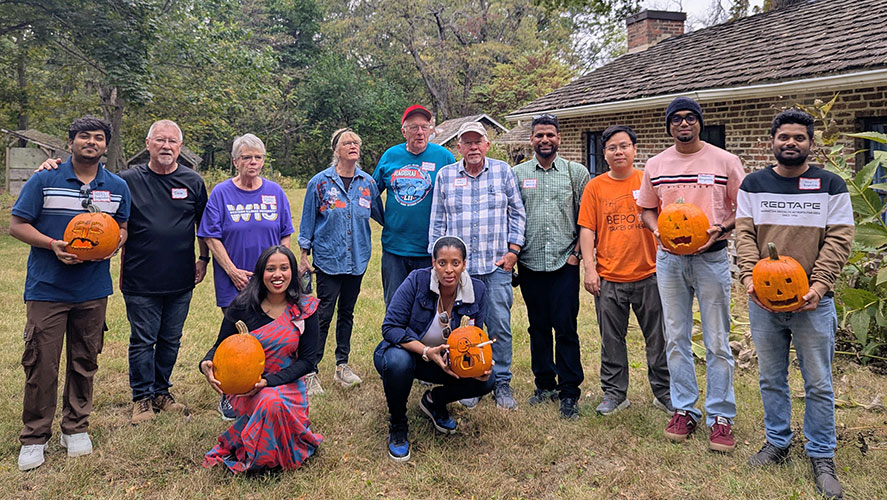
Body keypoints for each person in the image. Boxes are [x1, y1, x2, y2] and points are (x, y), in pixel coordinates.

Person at [33, 120, 211, 424]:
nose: (166, 146)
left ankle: (161, 391)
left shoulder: (193, 181)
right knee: (143, 339)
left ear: (180, 147)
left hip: (181, 277)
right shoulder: (125, 181)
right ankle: (141, 397)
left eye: (172, 141)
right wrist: (51, 167)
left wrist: (204, 258)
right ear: (148, 143)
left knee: (171, 339)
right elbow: (93, 201)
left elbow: (203, 224)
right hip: (140, 276)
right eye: (160, 140)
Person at [735, 109, 853, 499]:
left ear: (810, 144)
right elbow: (745, 234)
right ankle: (778, 443)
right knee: (771, 378)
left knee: (818, 382)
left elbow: (839, 239)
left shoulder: (830, 184)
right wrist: (750, 276)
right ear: (772, 141)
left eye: (798, 138)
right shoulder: (753, 183)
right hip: (764, 302)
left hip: (813, 303)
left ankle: (821, 453)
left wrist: (818, 287)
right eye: (784, 137)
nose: (791, 143)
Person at [11, 116, 131, 471]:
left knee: (85, 358)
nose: (90, 142)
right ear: (71, 143)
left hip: (93, 289)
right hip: (48, 287)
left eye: (97, 137)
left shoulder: (117, 186)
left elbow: (122, 227)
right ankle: (35, 436)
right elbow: (17, 225)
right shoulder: (45, 179)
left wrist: (114, 244)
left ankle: (75, 427)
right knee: (41, 363)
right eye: (83, 137)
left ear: (106, 146)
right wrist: (52, 244)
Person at [638, 96, 745, 452]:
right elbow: (647, 210)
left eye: (690, 118)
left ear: (700, 122)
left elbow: (743, 208)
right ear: (669, 126)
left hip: (712, 259)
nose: (684, 124)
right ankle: (684, 408)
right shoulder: (655, 164)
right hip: (669, 260)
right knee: (676, 337)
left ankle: (720, 415)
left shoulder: (725, 161)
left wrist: (721, 228)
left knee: (717, 339)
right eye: (677, 119)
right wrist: (657, 232)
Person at [428, 121, 526, 410]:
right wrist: (437, 264)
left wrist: (513, 252)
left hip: (496, 267)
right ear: (458, 147)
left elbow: (518, 214)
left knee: (500, 325)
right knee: (464, 329)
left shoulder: (503, 172)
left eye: (477, 142)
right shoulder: (446, 176)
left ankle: (502, 381)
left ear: (486, 145)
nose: (473, 147)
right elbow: (437, 223)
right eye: (467, 142)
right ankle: (469, 380)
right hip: (459, 272)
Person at [199, 245, 322, 473]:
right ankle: (264, 456)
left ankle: (267, 457)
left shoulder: (304, 309)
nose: (278, 275)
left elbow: (307, 361)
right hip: (246, 387)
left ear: (292, 272)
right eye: (270, 269)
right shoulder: (243, 306)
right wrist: (206, 364)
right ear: (260, 273)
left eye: (284, 268)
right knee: (268, 401)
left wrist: (269, 382)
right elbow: (220, 346)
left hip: (287, 384)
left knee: (271, 401)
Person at [198, 133, 294, 419]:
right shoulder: (222, 193)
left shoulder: (275, 192)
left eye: (258, 157)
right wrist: (231, 271)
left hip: (271, 281)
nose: (253, 162)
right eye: (247, 157)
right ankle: (230, 391)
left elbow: (285, 234)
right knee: (236, 338)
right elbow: (211, 236)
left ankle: (264, 389)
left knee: (267, 336)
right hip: (235, 280)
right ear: (235, 161)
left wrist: (280, 270)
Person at [578, 125, 671, 417]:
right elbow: (587, 229)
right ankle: (615, 393)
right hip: (609, 277)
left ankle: (664, 392)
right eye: (612, 148)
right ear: (604, 154)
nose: (619, 152)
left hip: (650, 274)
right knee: (611, 340)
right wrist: (590, 270)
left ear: (635, 149)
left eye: (624, 146)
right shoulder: (595, 187)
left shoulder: (648, 181)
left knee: (659, 338)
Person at [374, 236, 494, 461]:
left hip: (446, 360)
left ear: (464, 264)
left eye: (455, 263)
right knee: (399, 362)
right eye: (442, 263)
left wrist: (481, 364)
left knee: (488, 379)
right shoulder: (417, 281)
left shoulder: (477, 290)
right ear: (433, 263)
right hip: (406, 352)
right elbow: (390, 327)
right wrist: (426, 351)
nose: (449, 270)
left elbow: (476, 338)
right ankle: (398, 424)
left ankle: (434, 401)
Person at [512, 114, 589, 419]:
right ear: (531, 139)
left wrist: (577, 256)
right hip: (530, 263)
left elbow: (586, 220)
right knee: (538, 327)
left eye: (550, 135)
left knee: (566, 328)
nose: (545, 140)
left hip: (564, 263)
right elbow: (513, 217)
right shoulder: (516, 174)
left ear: (559, 139)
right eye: (539, 135)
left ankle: (569, 391)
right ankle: (544, 384)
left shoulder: (575, 173)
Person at [299, 128, 383, 395]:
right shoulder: (320, 183)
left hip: (357, 259)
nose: (353, 146)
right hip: (328, 259)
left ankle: (342, 365)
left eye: (356, 142)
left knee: (347, 313)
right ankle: (310, 370)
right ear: (336, 150)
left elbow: (382, 215)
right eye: (347, 142)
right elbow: (308, 220)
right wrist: (303, 253)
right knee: (322, 315)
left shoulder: (367, 183)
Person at [374, 105, 456, 307]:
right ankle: (396, 339)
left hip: (430, 249)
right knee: (396, 305)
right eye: (413, 128)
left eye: (424, 127)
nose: (420, 132)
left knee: (428, 306)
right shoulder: (390, 156)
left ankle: (425, 340)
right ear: (404, 131)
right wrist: (386, 220)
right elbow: (370, 193)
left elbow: (456, 198)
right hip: (395, 249)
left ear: (430, 130)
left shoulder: (444, 157)